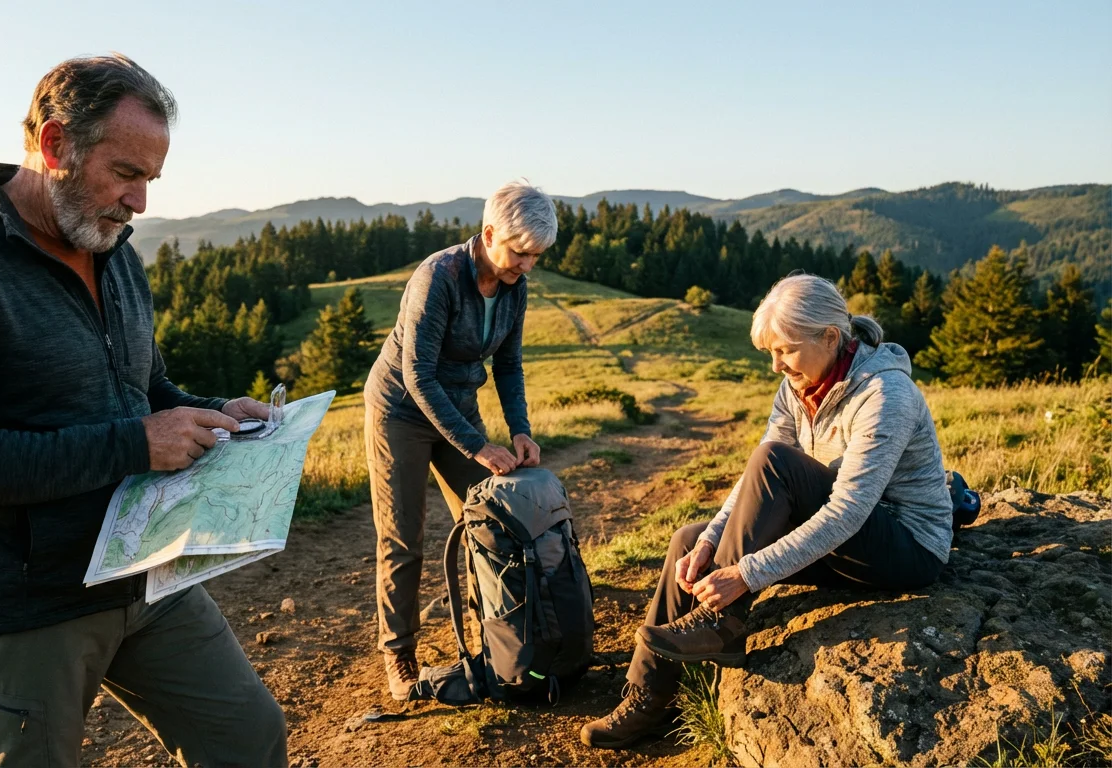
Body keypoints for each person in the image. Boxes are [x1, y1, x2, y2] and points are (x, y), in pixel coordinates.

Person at [0, 54, 286, 768]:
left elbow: (146, 390)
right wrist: (134, 445)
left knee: (248, 741)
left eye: (150, 180)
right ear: (56, 143)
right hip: (29, 604)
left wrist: (218, 413)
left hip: (146, 570)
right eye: (126, 173)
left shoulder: (114, 249)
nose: (140, 203)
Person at [580, 274, 954, 749]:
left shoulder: (885, 395)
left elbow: (847, 511)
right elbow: (753, 485)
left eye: (786, 351)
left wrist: (746, 574)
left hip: (905, 546)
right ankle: (649, 699)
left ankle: (724, 623)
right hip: (845, 535)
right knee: (687, 541)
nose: (776, 365)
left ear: (831, 338)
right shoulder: (798, 386)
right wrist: (714, 540)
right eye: (770, 353)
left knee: (774, 461)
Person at [363, 181, 557, 699]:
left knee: (485, 525)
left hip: (458, 408)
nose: (527, 266)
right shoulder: (439, 277)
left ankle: (494, 639)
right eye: (520, 253)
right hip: (400, 410)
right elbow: (418, 375)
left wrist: (520, 431)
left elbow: (509, 365)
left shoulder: (516, 287)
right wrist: (477, 446)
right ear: (490, 233)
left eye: (536, 256)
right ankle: (399, 655)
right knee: (403, 537)